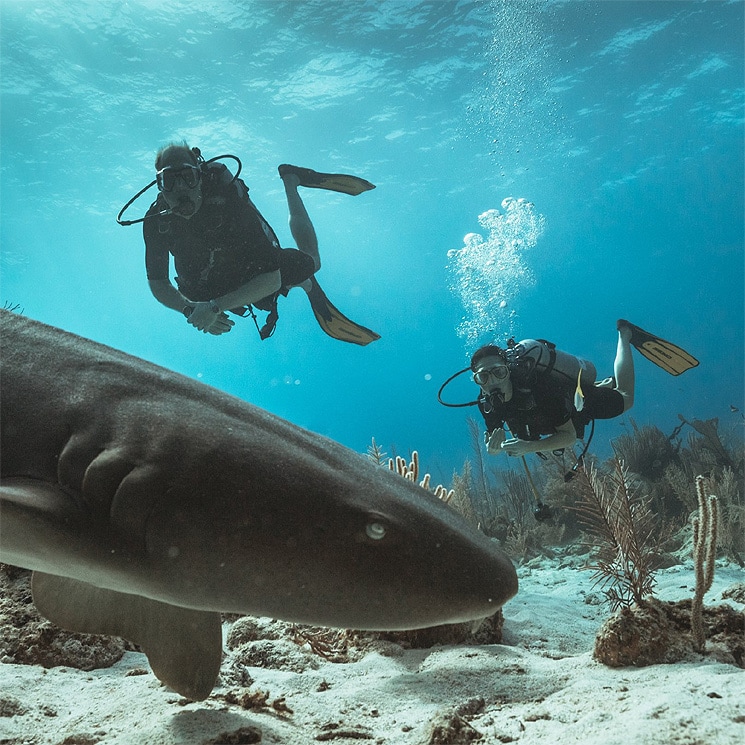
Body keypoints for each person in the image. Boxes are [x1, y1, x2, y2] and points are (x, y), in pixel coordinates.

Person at [143, 142, 380, 345]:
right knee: (196, 292)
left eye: (187, 177)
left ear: (201, 177)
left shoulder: (228, 201)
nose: (180, 189)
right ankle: (300, 284)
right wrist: (192, 310)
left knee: (310, 263)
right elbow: (158, 283)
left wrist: (213, 309)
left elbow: (271, 277)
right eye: (168, 181)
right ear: (158, 186)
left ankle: (291, 181)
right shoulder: (157, 222)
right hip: (206, 284)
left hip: (252, 268)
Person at [471, 321, 637, 458]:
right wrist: (492, 448)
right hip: (552, 413)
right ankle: (601, 384)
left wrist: (529, 447)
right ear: (476, 381)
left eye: (499, 372)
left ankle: (624, 334)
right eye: (483, 377)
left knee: (626, 398)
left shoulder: (540, 389)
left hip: (573, 401)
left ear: (508, 371)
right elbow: (494, 436)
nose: (492, 382)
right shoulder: (486, 403)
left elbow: (569, 436)